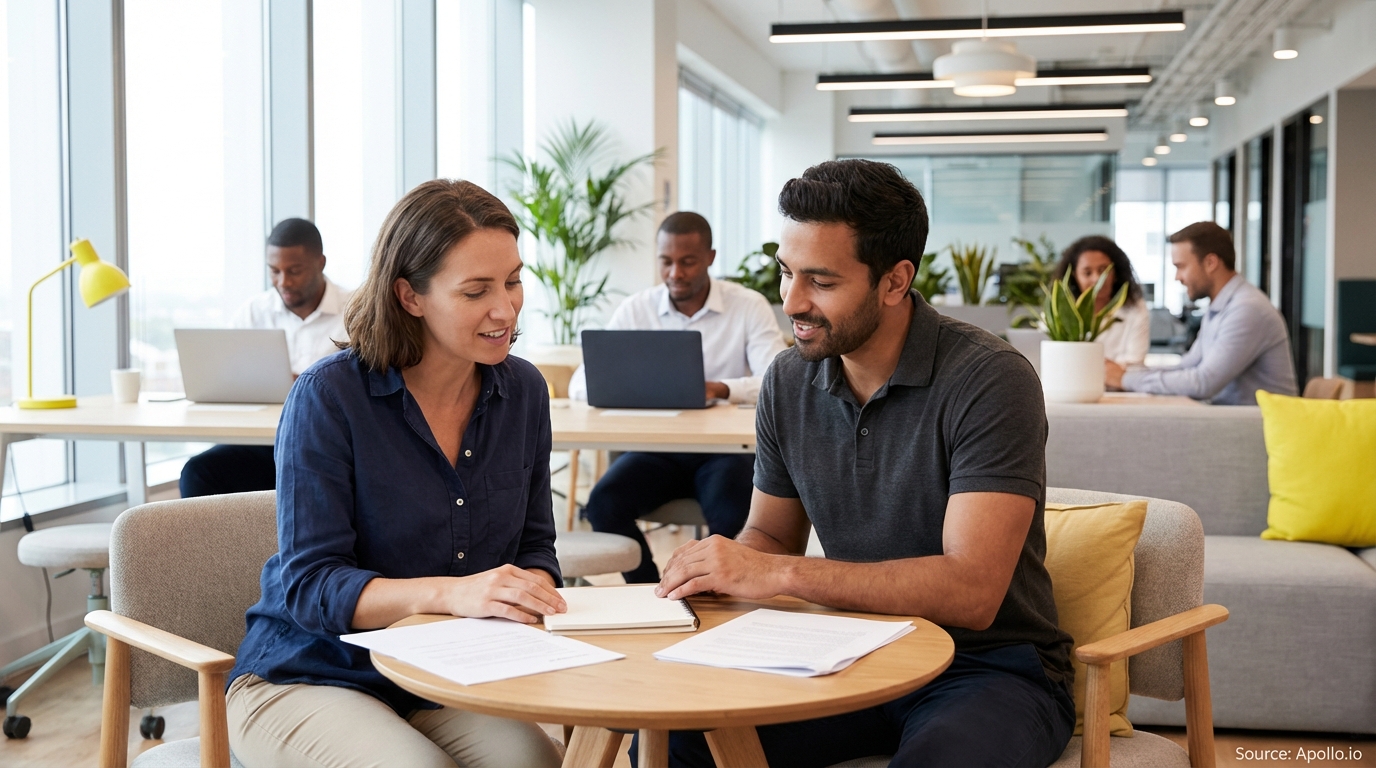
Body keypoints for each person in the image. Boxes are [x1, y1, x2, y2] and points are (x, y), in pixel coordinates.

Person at [649, 160, 1075, 767]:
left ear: (895, 281)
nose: (791, 301)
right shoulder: (788, 380)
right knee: (672, 742)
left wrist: (786, 576)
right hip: (844, 650)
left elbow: (972, 590)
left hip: (986, 666)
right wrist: (720, 578)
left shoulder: (990, 379)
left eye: (820, 281)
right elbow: (771, 534)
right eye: (785, 272)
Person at [225, 180, 567, 768]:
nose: (505, 309)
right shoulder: (328, 397)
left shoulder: (525, 392)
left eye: (512, 281)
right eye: (475, 291)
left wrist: (527, 594)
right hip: (310, 674)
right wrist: (457, 595)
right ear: (410, 296)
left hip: (442, 673)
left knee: (533, 761)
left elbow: (534, 545)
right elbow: (312, 586)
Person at [568, 212, 787, 584]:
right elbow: (579, 385)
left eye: (687, 262)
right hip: (656, 450)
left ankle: (714, 598)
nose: (675, 273)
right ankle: (652, 589)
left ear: (711, 258)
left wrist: (720, 388)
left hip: (725, 452)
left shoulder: (747, 305)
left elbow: (775, 378)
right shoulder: (637, 308)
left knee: (733, 517)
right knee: (604, 505)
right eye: (666, 262)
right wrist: (639, 387)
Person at [178, 218, 353, 498]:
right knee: (198, 472)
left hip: (327, 443)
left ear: (320, 263)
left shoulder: (355, 311)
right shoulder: (255, 312)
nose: (283, 282)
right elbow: (225, 375)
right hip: (264, 441)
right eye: (274, 271)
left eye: (294, 271)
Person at [1107, 221, 1298, 405]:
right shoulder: (1220, 307)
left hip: (1265, 430)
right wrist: (1128, 372)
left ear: (1210, 263)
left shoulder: (1247, 309)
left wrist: (1126, 379)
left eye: (1181, 266)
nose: (1177, 277)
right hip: (1239, 423)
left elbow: (1203, 382)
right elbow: (1188, 366)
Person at [1052, 235, 1149, 367]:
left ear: (1115, 273)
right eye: (1087, 273)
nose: (1097, 279)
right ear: (1075, 276)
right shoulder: (1061, 313)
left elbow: (1136, 364)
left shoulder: (1135, 309)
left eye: (1104, 270)